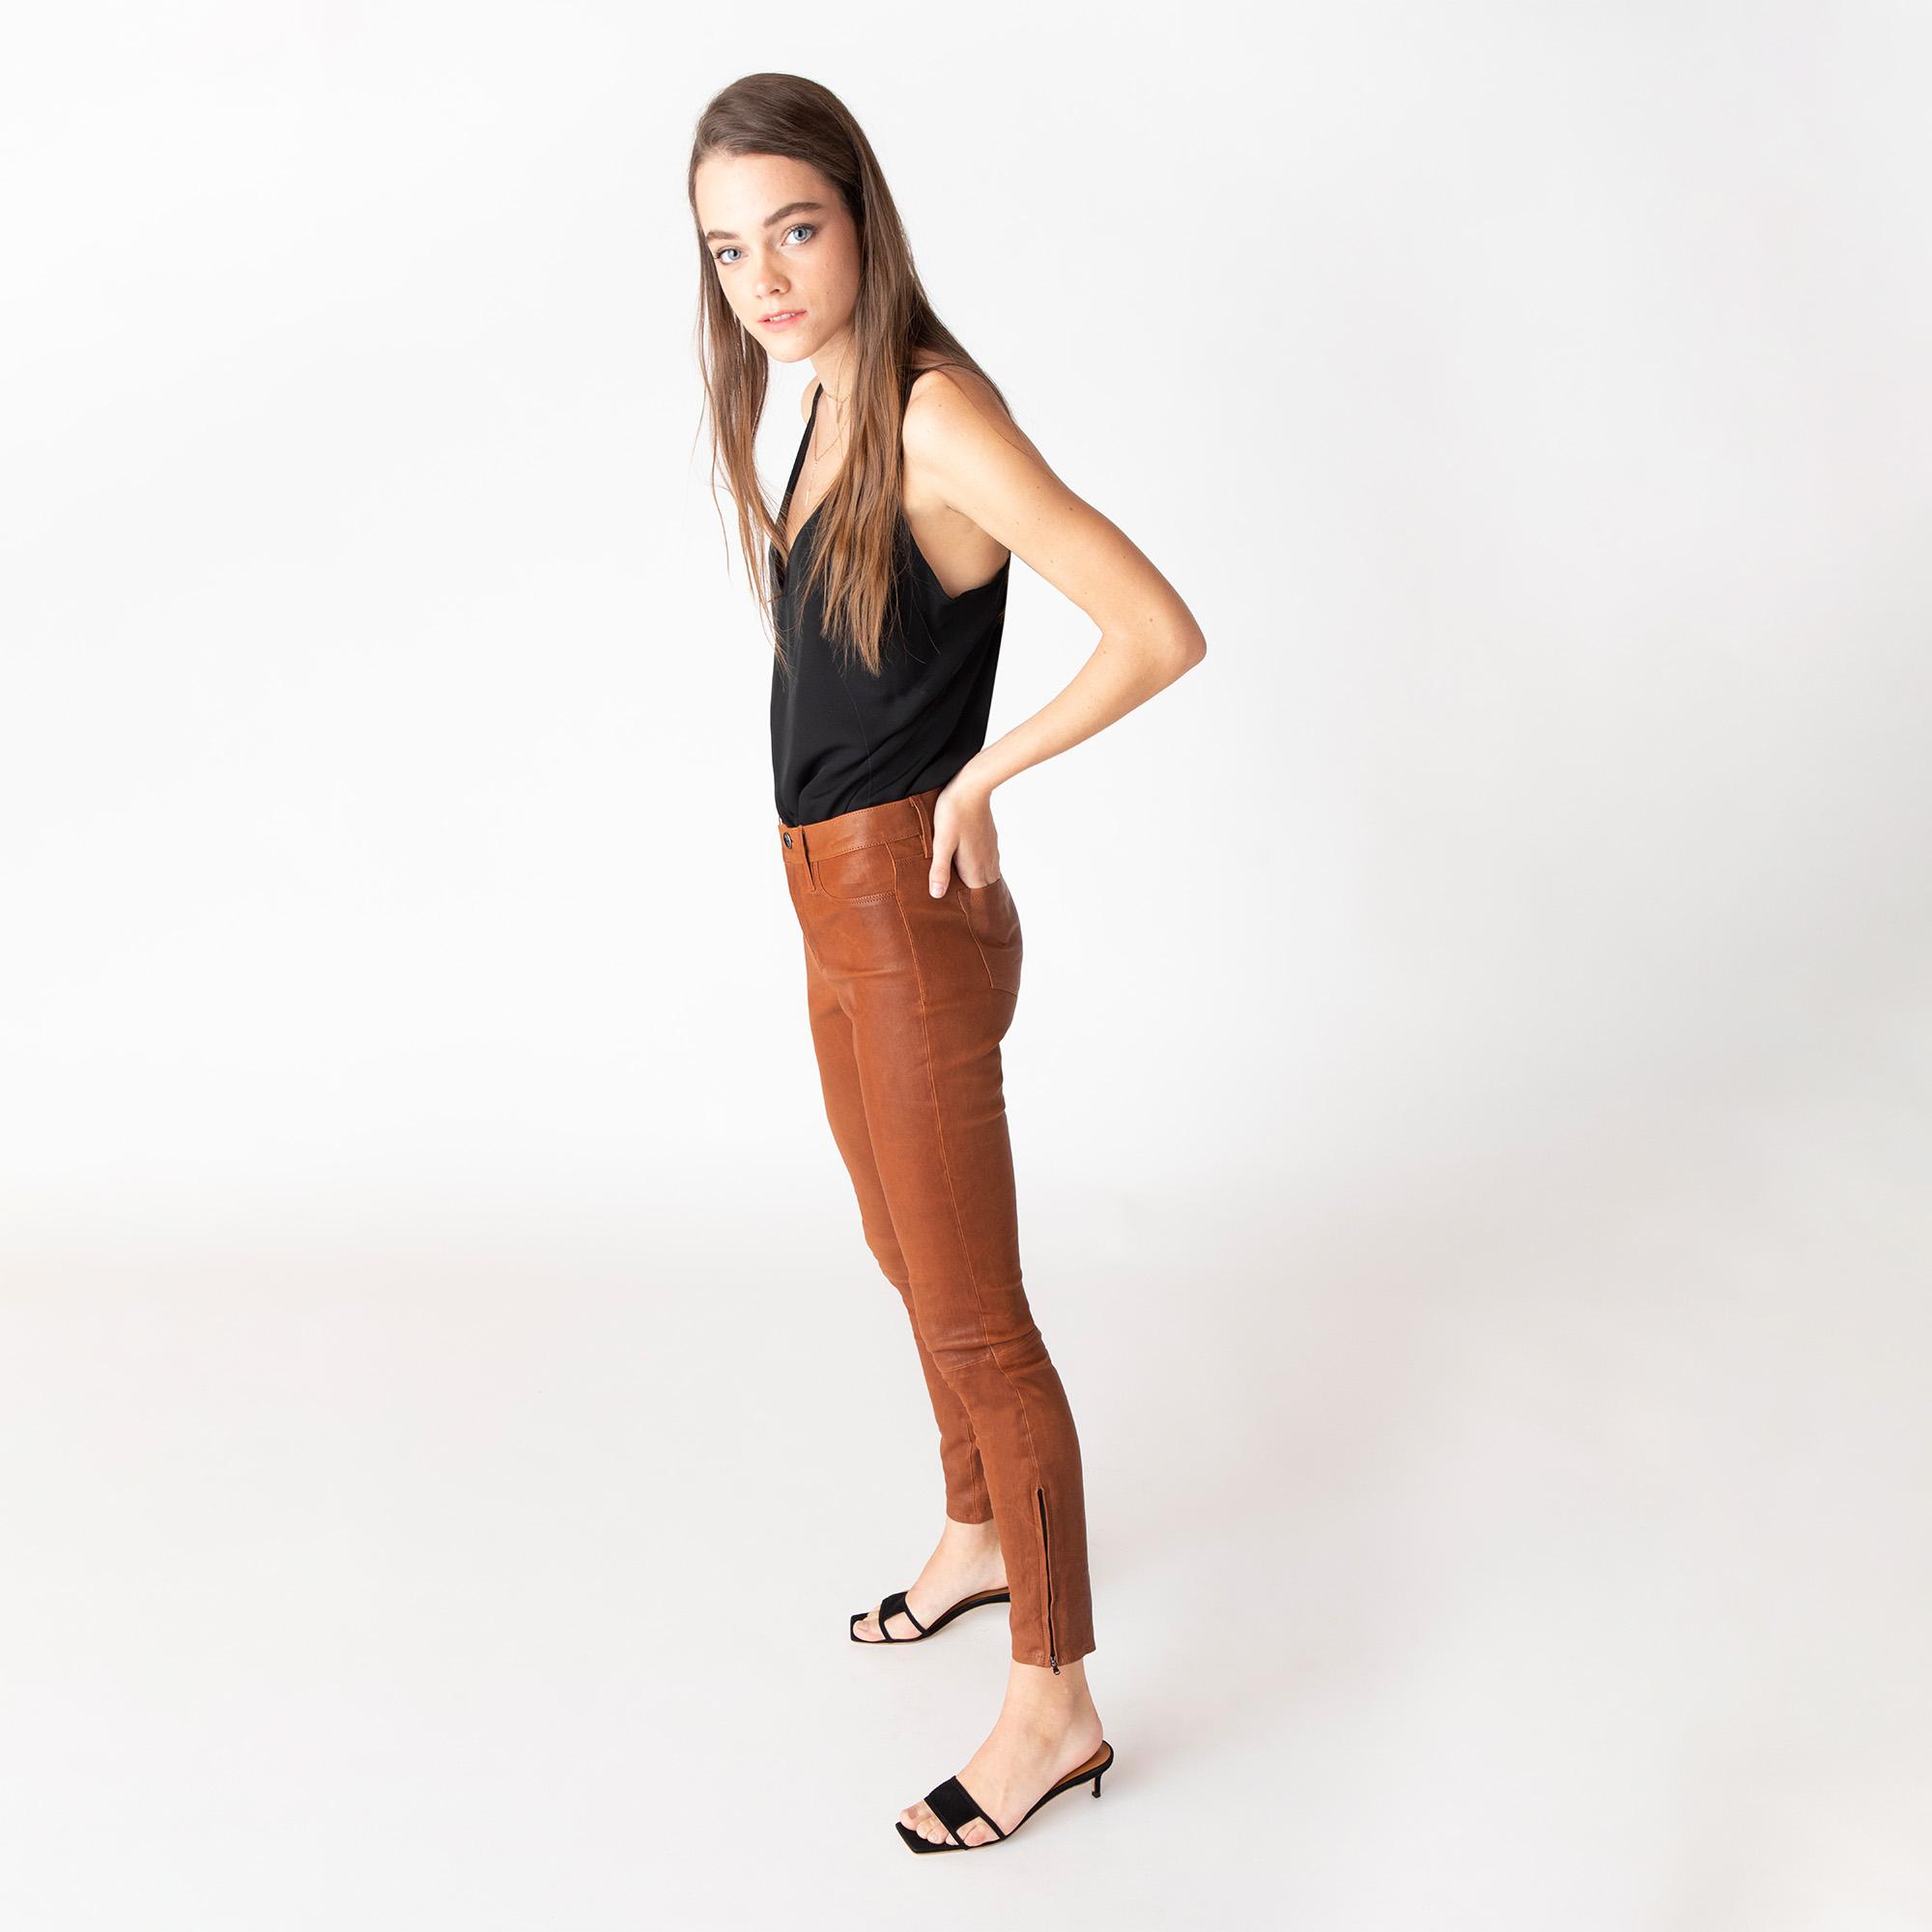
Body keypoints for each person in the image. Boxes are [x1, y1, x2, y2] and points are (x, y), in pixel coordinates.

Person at [688, 72, 1206, 1854]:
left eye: (794, 231)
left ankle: (1056, 1703)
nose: (764, 278)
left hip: (907, 911)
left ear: (862, 219)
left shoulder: (932, 413)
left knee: (981, 1313)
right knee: (902, 1250)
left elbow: (1154, 628)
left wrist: (984, 774)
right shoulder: (819, 396)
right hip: (827, 903)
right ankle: (979, 1532)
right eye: (729, 250)